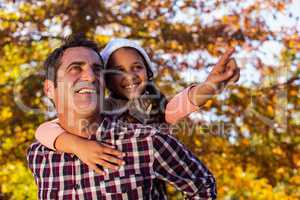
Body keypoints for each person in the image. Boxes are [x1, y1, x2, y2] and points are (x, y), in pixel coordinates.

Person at [27, 35, 221, 199]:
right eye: (75, 68)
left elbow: (179, 105)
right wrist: (76, 144)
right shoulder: (39, 155)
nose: (91, 77)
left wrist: (209, 86)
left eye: (97, 70)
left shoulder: (148, 135)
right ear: (49, 89)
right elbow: (44, 130)